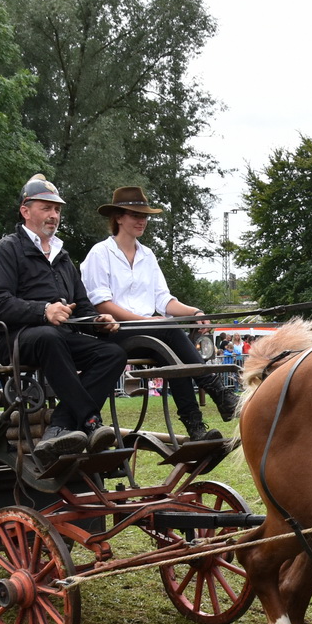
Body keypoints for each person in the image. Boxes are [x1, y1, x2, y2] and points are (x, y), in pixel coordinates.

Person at [0, 173, 125, 462]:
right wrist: (43, 311)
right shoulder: (6, 250)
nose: (53, 215)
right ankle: (90, 421)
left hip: (57, 338)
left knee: (113, 353)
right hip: (13, 338)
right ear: (26, 211)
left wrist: (98, 322)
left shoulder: (62, 257)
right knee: (49, 336)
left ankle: (60, 424)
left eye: (57, 209)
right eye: (46, 208)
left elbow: (82, 307)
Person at [81, 185, 238, 441]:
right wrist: (146, 321)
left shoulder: (148, 255)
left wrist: (194, 312)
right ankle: (216, 390)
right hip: (113, 333)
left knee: (174, 352)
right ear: (118, 217)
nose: (141, 221)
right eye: (135, 215)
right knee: (168, 328)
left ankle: (196, 428)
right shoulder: (100, 253)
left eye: (144, 216)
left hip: (151, 334)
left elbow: (164, 300)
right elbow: (102, 305)